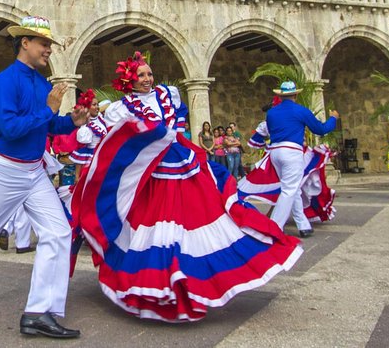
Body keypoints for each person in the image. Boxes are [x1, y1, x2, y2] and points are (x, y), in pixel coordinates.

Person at [70, 52, 302, 322]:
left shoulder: (168, 94)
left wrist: (170, 135)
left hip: (183, 165)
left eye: (149, 74)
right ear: (129, 80)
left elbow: (178, 119)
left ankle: (193, 279)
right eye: (141, 75)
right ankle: (161, 283)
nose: (147, 79)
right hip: (153, 176)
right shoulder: (121, 108)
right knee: (157, 228)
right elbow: (93, 133)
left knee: (199, 218)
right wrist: (84, 126)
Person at [0, 15, 88, 338]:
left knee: (59, 232)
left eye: (50, 44)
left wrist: (72, 121)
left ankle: (38, 312)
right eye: (44, 43)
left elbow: (48, 126)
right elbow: (9, 129)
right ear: (24, 43)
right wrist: (49, 111)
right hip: (5, 169)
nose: (49, 49)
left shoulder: (41, 84)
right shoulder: (4, 82)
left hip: (34, 171)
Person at [265, 81, 339, 237]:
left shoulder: (271, 113)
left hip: (275, 151)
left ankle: (303, 224)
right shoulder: (301, 111)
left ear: (280, 95)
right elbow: (320, 129)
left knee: (294, 188)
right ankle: (274, 227)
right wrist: (333, 119)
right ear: (296, 94)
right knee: (289, 190)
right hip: (292, 152)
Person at [69, 90, 107, 181]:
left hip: (103, 155)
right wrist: (77, 176)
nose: (97, 107)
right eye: (94, 105)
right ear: (87, 107)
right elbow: (82, 152)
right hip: (92, 158)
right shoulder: (85, 125)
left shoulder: (101, 119)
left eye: (97, 104)